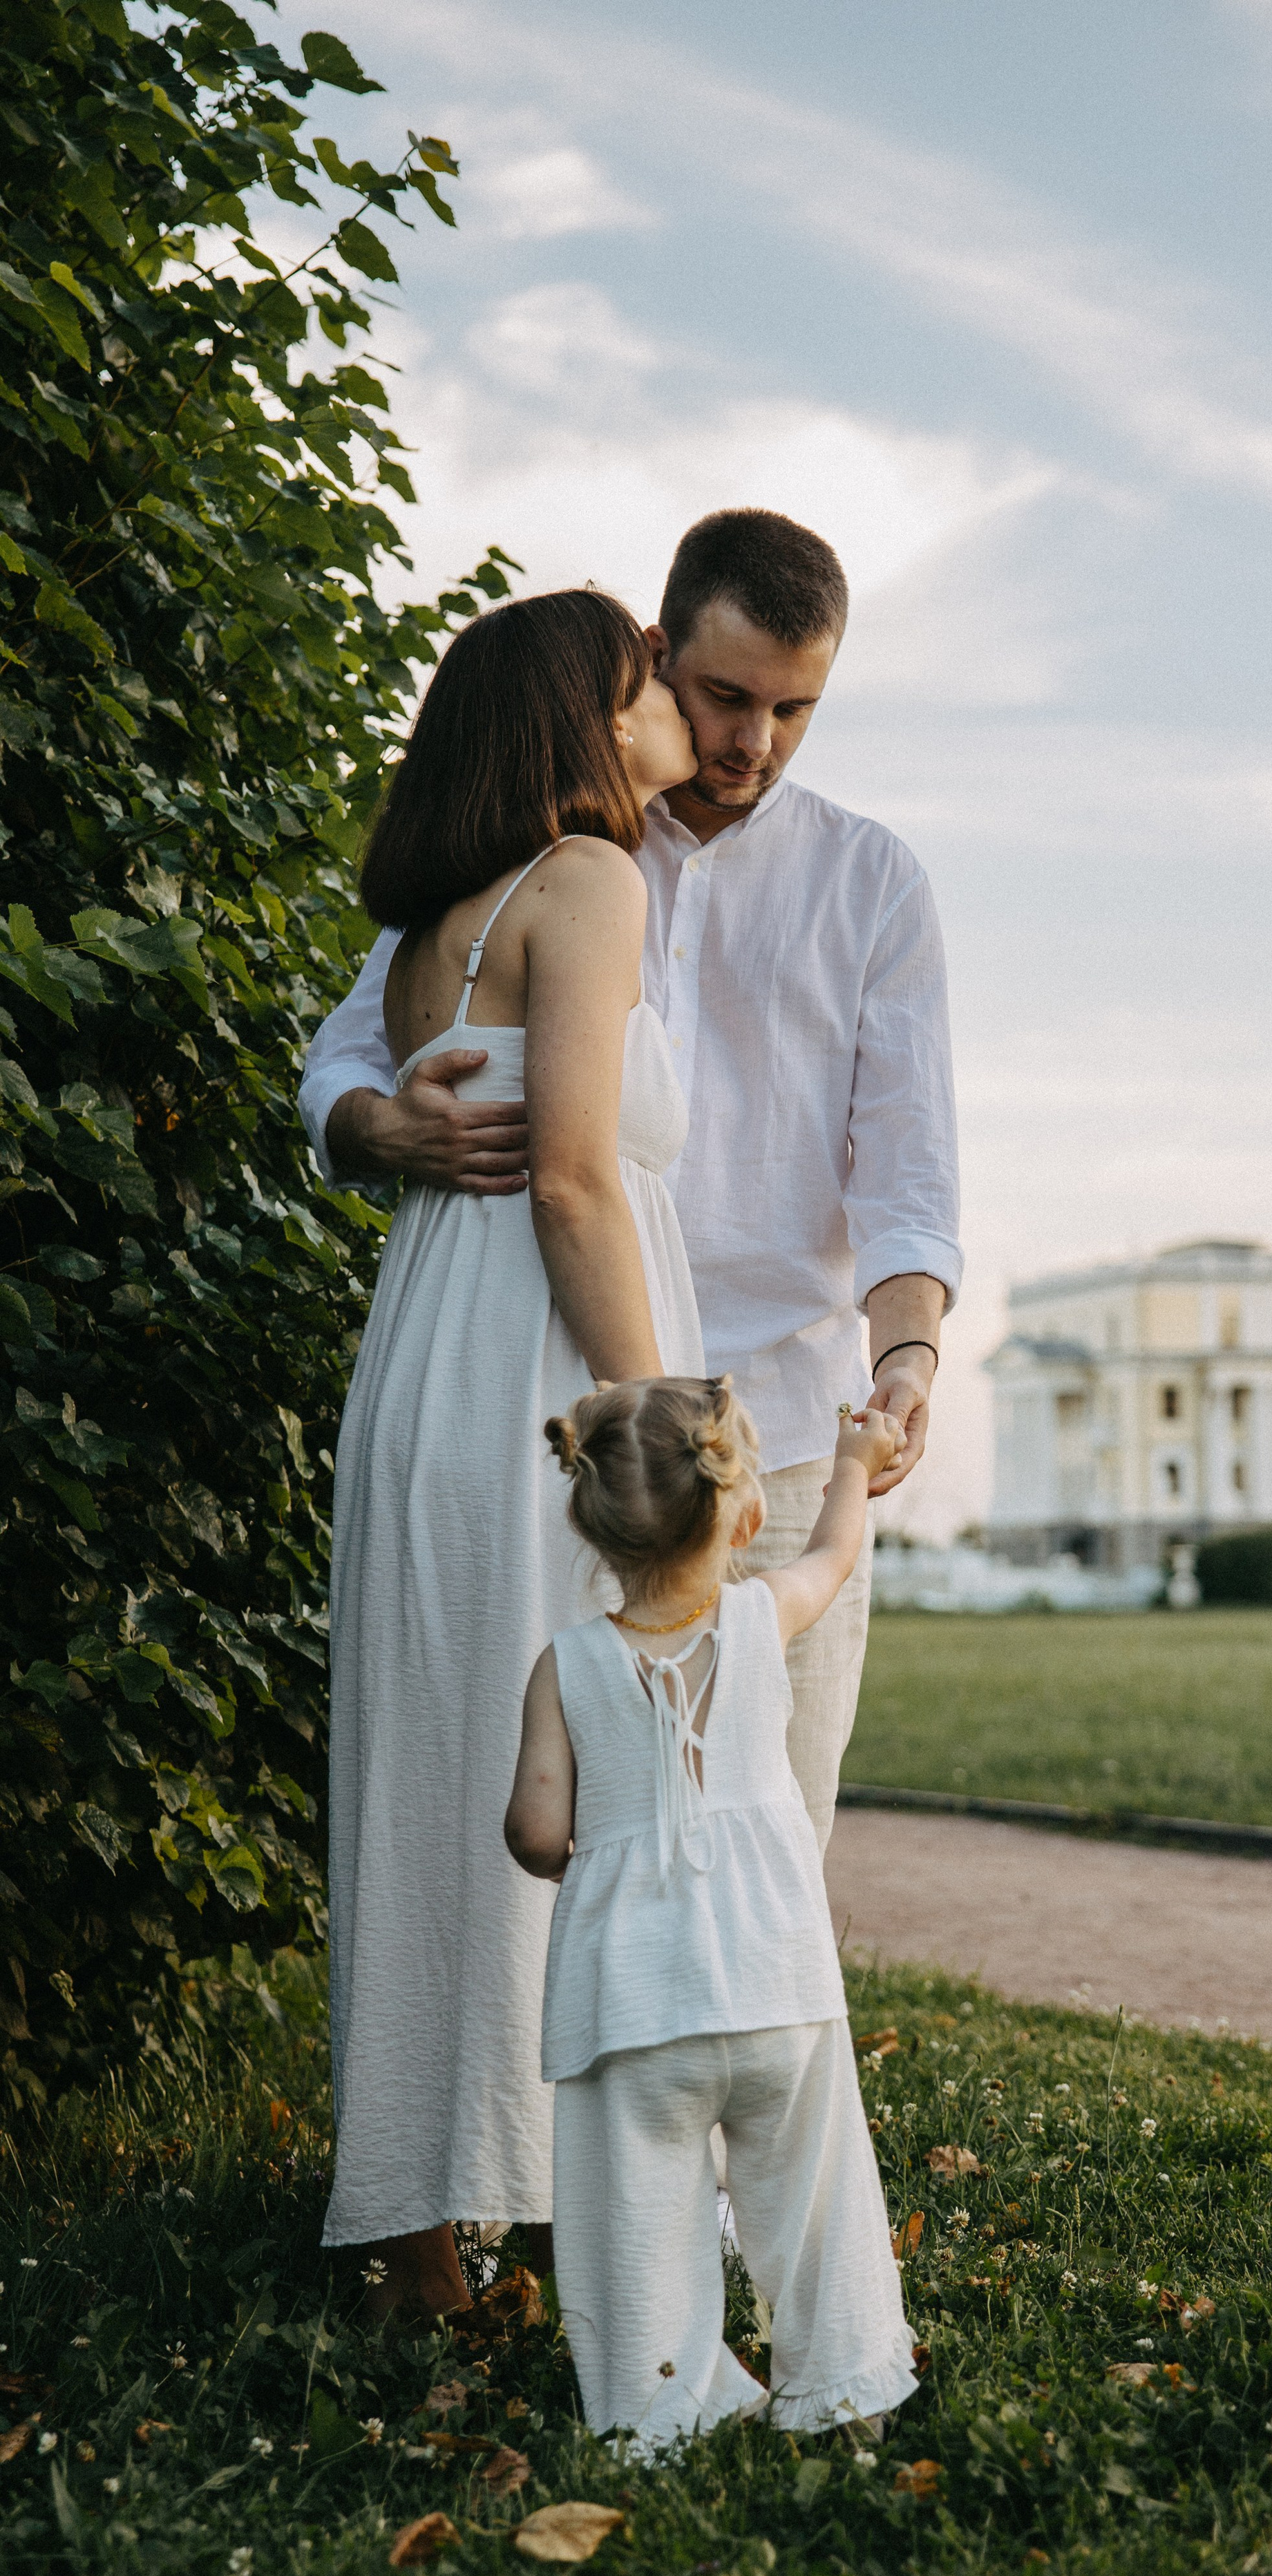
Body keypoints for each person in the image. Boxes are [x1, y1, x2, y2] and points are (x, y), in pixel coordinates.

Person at [299, 509, 963, 1854]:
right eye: (726, 696)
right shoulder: (542, 838)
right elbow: (350, 1053)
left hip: (773, 1436)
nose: (754, 741)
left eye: (794, 710)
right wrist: (377, 1129)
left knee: (765, 1846)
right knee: (550, 1835)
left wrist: (907, 1358)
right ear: (657, 657)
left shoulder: (873, 883)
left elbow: (907, 1169)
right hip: (566, 1417)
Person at [323, 588, 705, 2322]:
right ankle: (574, 2216)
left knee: (432, 1773)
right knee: (583, 1773)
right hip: (542, 1376)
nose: (666, 697)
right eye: (644, 677)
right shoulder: (591, 879)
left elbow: (403, 1101)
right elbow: (572, 1178)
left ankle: (420, 2238)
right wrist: (661, 1430)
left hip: (427, 1360)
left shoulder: (434, 924)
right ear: (586, 718)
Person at [504, 1376, 919, 2452]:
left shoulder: (567, 1666)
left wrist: (599, 1853)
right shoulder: (762, 1616)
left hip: (635, 2005)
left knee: (636, 2226)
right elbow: (833, 1555)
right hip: (776, 1981)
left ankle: (659, 2416)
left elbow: (537, 1832)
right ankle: (844, 2392)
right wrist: (852, 1464)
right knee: (814, 2200)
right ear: (740, 1512)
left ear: (591, 1522)